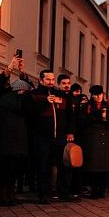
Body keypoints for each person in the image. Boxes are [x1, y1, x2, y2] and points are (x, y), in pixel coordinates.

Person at [29, 70, 76, 204]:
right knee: (43, 166)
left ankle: (64, 193)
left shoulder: (61, 95)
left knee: (64, 165)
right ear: (41, 80)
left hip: (60, 137)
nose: (51, 82)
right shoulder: (34, 95)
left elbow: (70, 114)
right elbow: (30, 114)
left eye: (52, 79)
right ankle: (43, 194)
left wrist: (70, 132)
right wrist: (45, 102)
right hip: (42, 137)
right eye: (48, 79)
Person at [0, 72, 30, 207]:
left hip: (7, 141)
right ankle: (5, 197)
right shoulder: (15, 99)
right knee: (8, 172)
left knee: (7, 171)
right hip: (11, 142)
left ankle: (7, 196)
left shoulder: (4, 98)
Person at [78, 85, 109, 199]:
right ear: (92, 96)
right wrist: (93, 116)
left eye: (100, 94)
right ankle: (94, 189)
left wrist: (106, 119)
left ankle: (102, 189)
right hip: (92, 139)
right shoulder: (87, 107)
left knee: (104, 165)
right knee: (93, 165)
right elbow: (82, 122)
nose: (98, 97)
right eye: (96, 95)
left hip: (104, 137)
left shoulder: (107, 107)